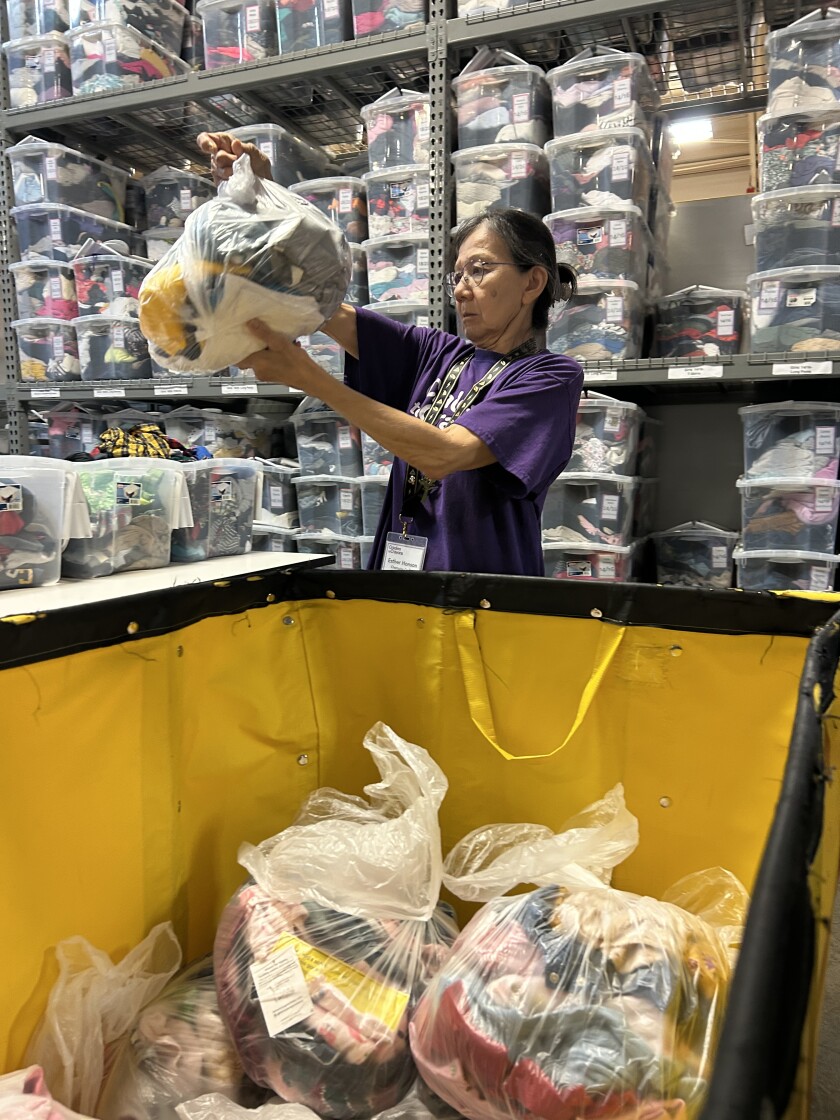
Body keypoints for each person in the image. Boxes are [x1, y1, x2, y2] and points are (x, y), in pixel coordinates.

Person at [197, 132, 584, 576]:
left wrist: (310, 378)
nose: (460, 289)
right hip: (403, 587)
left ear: (532, 283)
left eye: (479, 270)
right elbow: (314, 296)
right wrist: (261, 199)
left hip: (484, 602)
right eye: (456, 275)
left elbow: (443, 454)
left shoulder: (550, 378)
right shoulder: (438, 352)